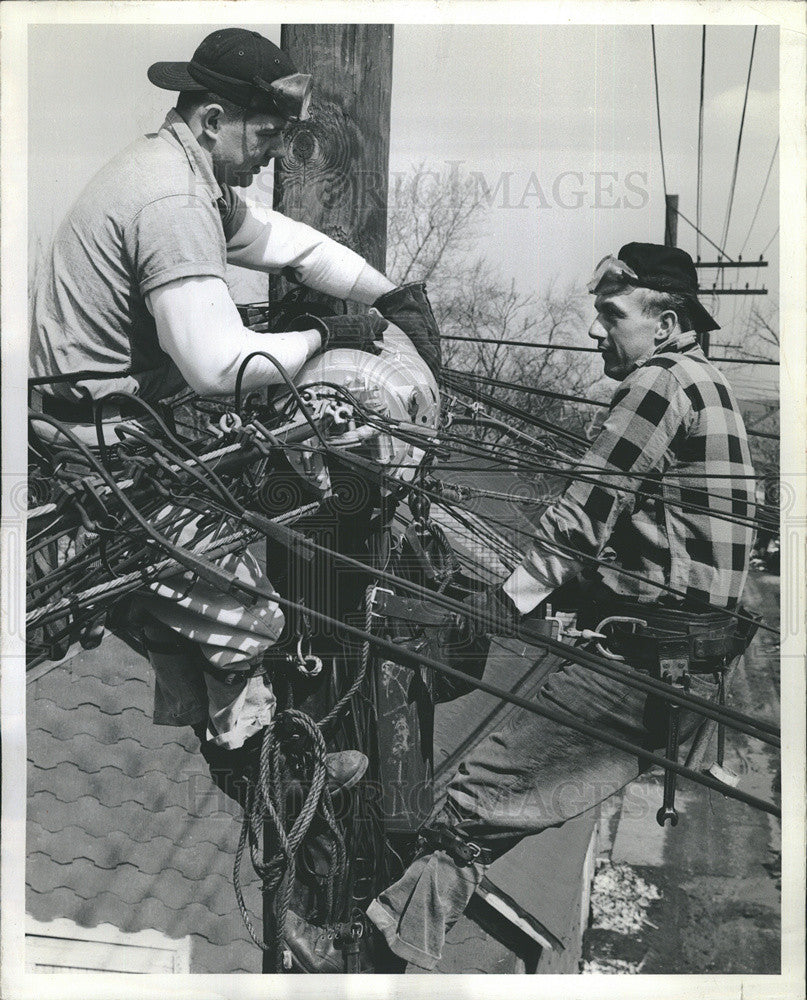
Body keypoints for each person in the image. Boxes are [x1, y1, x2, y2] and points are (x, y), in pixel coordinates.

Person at [284, 242, 757, 971]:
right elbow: (647, 548)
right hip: (687, 668)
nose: (595, 332)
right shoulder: (711, 387)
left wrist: (491, 615)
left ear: (664, 324)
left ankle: (355, 953)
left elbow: (578, 521)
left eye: (610, 315)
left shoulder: (659, 384)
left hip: (648, 662)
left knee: (472, 802)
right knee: (484, 802)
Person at [28, 28, 440, 784]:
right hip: (102, 452)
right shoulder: (170, 198)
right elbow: (219, 366)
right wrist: (327, 331)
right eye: (269, 134)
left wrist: (385, 295)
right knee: (253, 612)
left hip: (105, 433)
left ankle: (238, 735)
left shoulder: (181, 175)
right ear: (214, 119)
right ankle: (263, 770)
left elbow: (286, 242)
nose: (276, 154)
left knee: (211, 588)